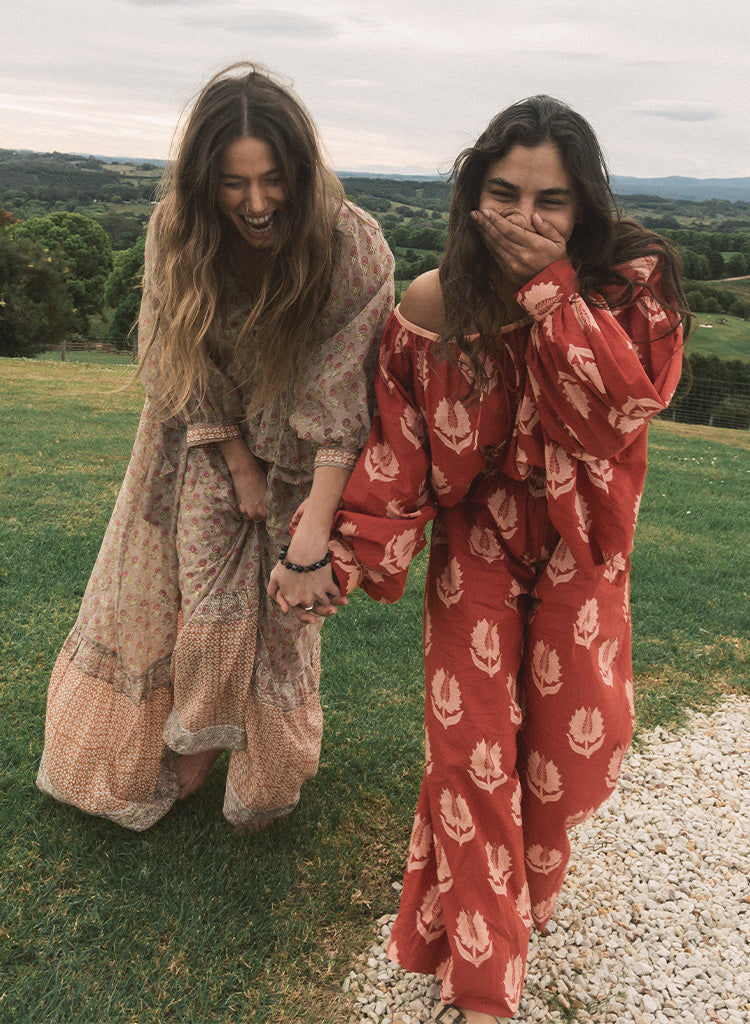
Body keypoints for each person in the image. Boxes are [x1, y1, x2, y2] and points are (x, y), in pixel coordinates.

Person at [318, 96, 688, 1022]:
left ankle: (520, 895)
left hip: (581, 543)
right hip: (477, 541)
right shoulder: (435, 303)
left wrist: (551, 293)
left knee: (571, 753)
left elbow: (616, 415)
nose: (526, 218)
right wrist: (346, 556)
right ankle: (485, 982)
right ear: (472, 196)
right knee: (472, 753)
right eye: (505, 195)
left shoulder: (634, 286)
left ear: (584, 204)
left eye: (550, 200)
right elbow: (400, 450)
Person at [36, 63, 394, 831]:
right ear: (206, 181)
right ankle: (196, 745)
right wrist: (235, 463)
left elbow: (341, 396)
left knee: (289, 616)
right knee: (204, 599)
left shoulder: (352, 244)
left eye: (273, 180)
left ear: (301, 171)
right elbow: (180, 358)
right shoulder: (178, 230)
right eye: (234, 184)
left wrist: (311, 533)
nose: (257, 204)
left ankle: (267, 775)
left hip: (309, 456)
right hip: (202, 440)